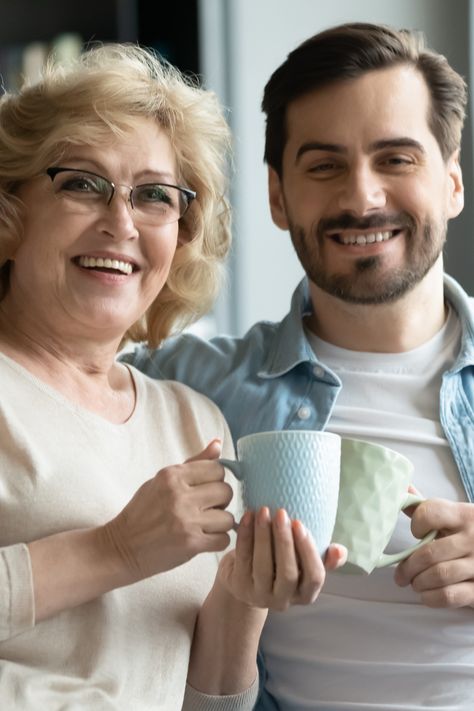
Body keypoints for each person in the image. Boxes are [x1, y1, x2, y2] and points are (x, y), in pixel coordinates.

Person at [123, 22, 474, 711]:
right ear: (278, 197)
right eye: (324, 165)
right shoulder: (192, 384)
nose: (363, 196)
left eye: (396, 158)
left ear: (453, 181)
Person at [0, 43, 345, 710]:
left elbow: (207, 700)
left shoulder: (192, 420)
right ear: (13, 204)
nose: (121, 222)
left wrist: (245, 595)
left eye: (155, 196)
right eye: (81, 182)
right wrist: (117, 549)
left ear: (181, 234)